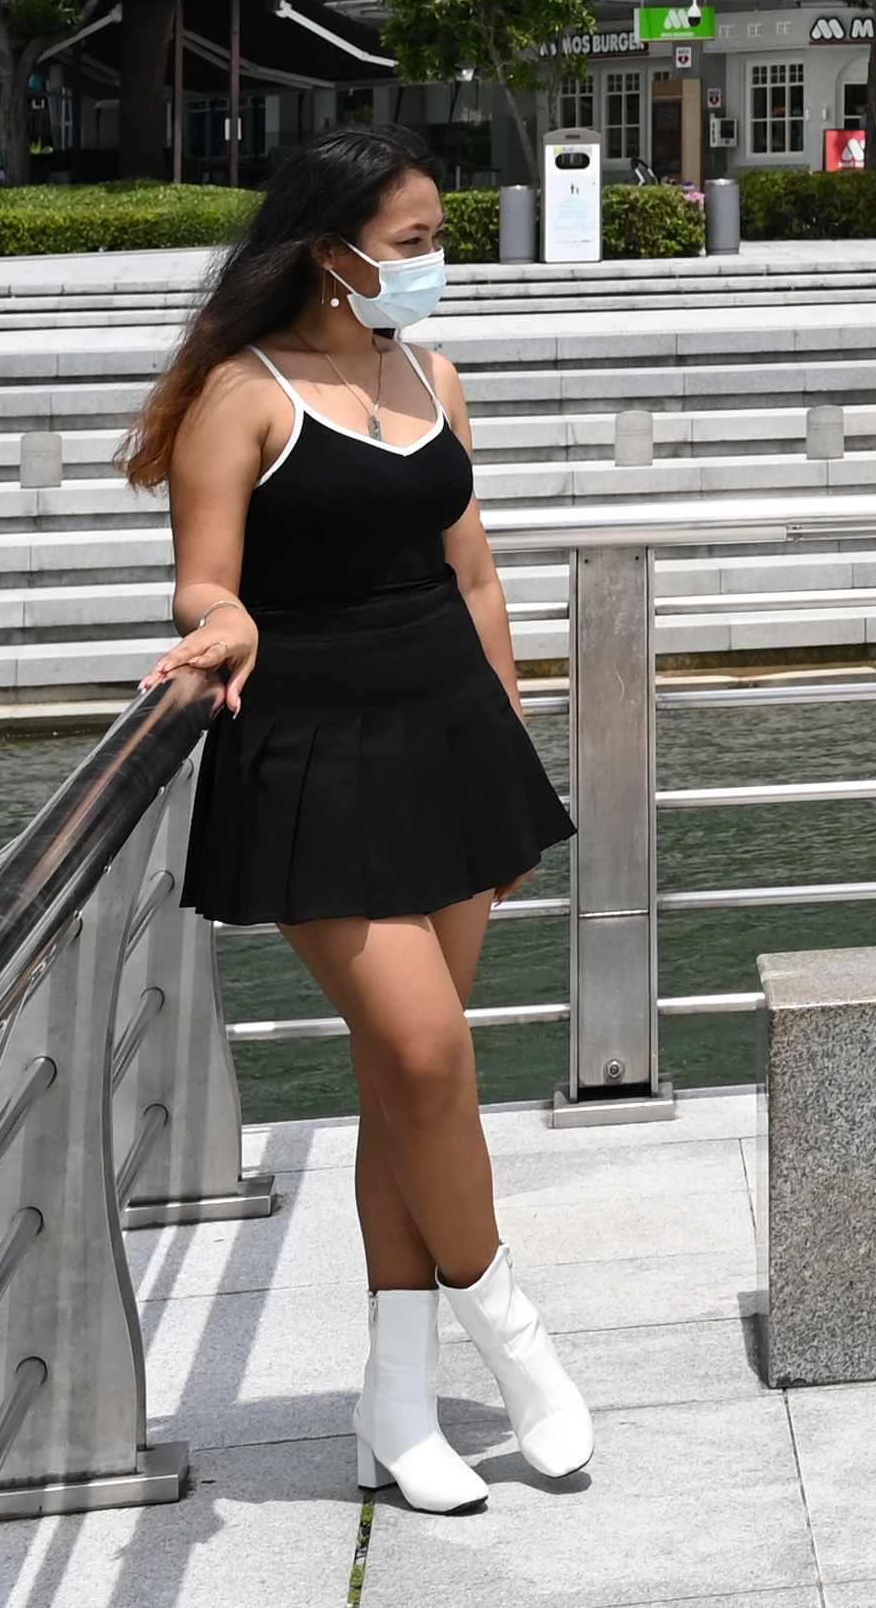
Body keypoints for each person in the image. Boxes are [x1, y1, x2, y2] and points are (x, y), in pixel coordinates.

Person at [130, 129, 591, 1512]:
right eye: (411, 241)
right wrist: (216, 624)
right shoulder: (241, 394)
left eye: (436, 235)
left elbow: (478, 572)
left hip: (452, 737)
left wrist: (508, 736)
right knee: (424, 1051)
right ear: (328, 252)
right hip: (313, 752)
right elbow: (201, 579)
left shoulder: (432, 371)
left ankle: (395, 1407)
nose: (433, 261)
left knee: (408, 1086)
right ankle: (518, 1343)